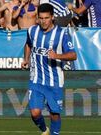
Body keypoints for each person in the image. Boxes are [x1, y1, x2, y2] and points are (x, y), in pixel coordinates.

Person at [21, 3, 77, 135]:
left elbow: (73, 55)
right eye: (40, 18)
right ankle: (44, 130)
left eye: (46, 18)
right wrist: (26, 59)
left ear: (52, 17)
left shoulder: (61, 33)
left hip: (54, 81)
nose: (43, 21)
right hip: (36, 79)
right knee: (35, 113)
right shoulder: (32, 31)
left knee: (54, 114)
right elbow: (28, 44)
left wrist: (56, 55)